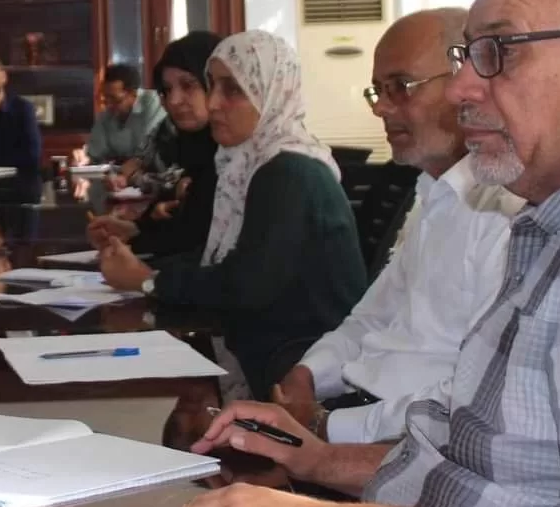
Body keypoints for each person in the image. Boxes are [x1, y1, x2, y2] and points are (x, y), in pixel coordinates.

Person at [188, 0, 560, 507]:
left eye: (498, 53)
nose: (460, 89)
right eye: (466, 58)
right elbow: (485, 459)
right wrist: (316, 460)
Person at [271, 9, 523, 446]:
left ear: (467, 81)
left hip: (410, 443)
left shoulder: (509, 210)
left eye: (401, 87)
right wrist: (306, 376)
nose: (381, 108)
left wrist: (326, 428)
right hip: (363, 413)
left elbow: (472, 396)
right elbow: (370, 319)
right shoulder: (434, 195)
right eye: (378, 91)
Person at [98, 30, 366, 396]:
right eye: (212, 86)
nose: (213, 104)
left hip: (302, 373)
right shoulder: (248, 162)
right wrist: (147, 270)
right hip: (275, 351)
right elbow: (223, 258)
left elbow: (246, 285)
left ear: (270, 91)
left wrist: (149, 279)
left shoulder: (288, 170)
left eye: (233, 89)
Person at [87, 32, 223, 259]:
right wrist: (132, 231)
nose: (174, 100)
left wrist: (143, 269)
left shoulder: (238, 156)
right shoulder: (183, 142)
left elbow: (202, 243)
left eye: (188, 85)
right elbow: (186, 233)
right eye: (167, 90)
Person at [85, 64, 166, 164]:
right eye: (106, 99)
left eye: (115, 100)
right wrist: (84, 158)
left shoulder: (153, 102)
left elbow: (149, 149)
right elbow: (95, 153)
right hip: (119, 171)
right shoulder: (106, 114)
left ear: (133, 94)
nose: (109, 105)